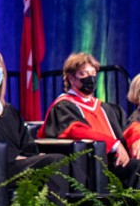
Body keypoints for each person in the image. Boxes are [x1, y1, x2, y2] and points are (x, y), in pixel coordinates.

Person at [0, 50, 69, 205]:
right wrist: (16, 156)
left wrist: (32, 156)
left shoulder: (9, 110)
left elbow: (27, 143)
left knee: (65, 163)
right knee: (56, 161)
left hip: (17, 165)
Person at [39, 52, 140, 188]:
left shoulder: (106, 108)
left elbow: (127, 128)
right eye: (83, 74)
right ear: (71, 78)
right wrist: (114, 144)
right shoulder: (63, 107)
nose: (90, 78)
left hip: (118, 162)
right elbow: (76, 131)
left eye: (93, 73)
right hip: (90, 165)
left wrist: (136, 139)